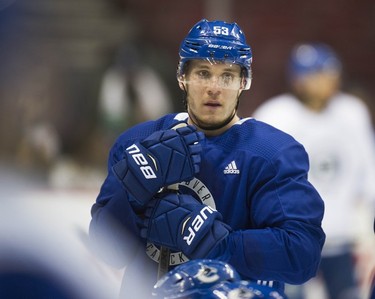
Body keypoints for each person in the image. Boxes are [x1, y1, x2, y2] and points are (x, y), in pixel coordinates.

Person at [89, 19, 325, 299]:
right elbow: (107, 251)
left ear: (243, 82)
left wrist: (219, 244)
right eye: (203, 73)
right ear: (182, 77)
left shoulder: (272, 153)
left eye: (227, 76)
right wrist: (131, 193)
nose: (215, 87)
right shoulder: (136, 144)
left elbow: (302, 255)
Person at [253, 43, 375, 299]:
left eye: (329, 74)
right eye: (317, 75)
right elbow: (257, 178)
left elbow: (369, 170)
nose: (326, 81)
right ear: (298, 80)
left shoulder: (352, 112)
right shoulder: (275, 115)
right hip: (293, 239)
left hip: (343, 239)